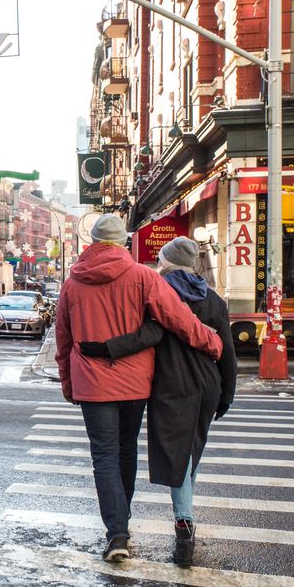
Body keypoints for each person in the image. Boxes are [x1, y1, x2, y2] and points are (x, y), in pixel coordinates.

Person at [54, 214, 223, 563]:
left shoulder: (73, 283)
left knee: (104, 456)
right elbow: (177, 318)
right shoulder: (143, 276)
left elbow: (64, 339)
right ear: (123, 243)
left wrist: (68, 383)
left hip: (91, 383)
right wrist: (213, 342)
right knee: (125, 451)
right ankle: (122, 521)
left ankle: (117, 532)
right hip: (134, 384)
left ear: (93, 242)